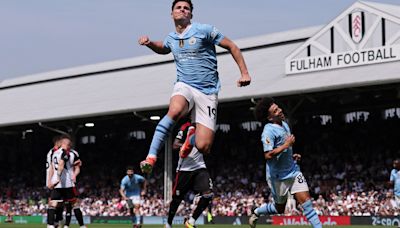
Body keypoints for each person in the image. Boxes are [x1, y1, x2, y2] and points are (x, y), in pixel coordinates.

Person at [138, 0, 251, 174]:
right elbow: (164, 48)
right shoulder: (172, 37)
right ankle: (151, 157)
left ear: (191, 14)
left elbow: (232, 46)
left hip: (208, 91)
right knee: (174, 111)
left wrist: (244, 73)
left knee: (204, 146)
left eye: (186, 8)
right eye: (179, 8)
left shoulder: (204, 30)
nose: (183, 10)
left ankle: (191, 136)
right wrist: (150, 43)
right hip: (185, 85)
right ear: (172, 13)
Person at [250, 97, 322, 228]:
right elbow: (267, 155)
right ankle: (257, 212)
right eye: (275, 110)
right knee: (279, 209)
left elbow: (285, 149)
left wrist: (292, 156)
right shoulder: (268, 131)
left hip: (293, 171)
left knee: (307, 204)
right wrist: (286, 145)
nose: (280, 110)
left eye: (278, 107)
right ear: (270, 117)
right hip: (278, 177)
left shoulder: (285, 124)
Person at [165, 120, 213, 228]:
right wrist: (189, 143)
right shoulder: (185, 127)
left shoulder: (204, 128)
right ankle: (168, 223)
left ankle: (191, 222)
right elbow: (175, 145)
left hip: (200, 166)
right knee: (177, 199)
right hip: (184, 169)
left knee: (208, 194)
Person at [47, 135, 86, 228]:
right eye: (68, 144)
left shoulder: (54, 153)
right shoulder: (67, 153)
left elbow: (52, 167)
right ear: (65, 144)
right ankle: (82, 226)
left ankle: (50, 225)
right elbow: (61, 164)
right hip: (67, 183)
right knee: (74, 203)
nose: (70, 145)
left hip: (57, 183)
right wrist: (57, 177)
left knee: (53, 203)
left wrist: (51, 180)